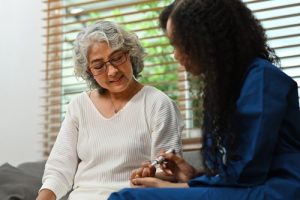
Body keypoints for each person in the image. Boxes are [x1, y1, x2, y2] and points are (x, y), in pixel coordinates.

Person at [108, 0, 300, 199]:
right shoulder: (235, 84)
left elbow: (247, 172)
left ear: (208, 40)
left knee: (127, 197)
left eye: (179, 44)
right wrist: (193, 177)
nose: (175, 55)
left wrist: (179, 188)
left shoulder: (262, 80)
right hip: (255, 186)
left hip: (279, 190)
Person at [36, 20, 184, 200]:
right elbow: (59, 171)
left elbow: (169, 173)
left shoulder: (158, 103)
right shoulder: (79, 106)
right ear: (89, 71)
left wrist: (151, 176)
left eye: (117, 58)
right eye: (99, 66)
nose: (112, 71)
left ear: (130, 54)